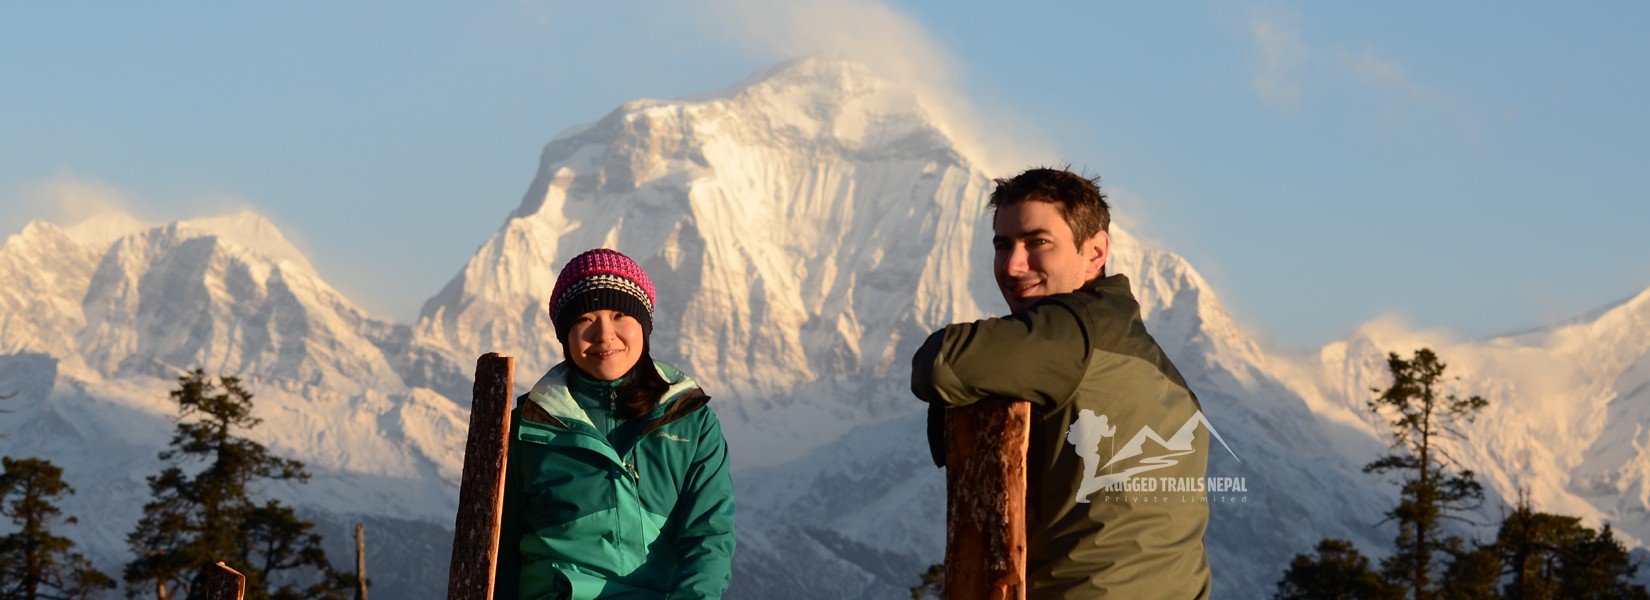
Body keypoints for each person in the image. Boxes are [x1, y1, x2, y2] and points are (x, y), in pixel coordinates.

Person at [910, 167, 1212, 598]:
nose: (1014, 265)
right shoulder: (1153, 364)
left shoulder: (1070, 333)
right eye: (1003, 245)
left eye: (1038, 243)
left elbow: (939, 365)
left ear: (1095, 251)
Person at [495, 248, 736, 599]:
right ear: (565, 336)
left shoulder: (690, 421)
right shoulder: (528, 429)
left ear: (644, 325)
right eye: (584, 319)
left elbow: (709, 536)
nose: (604, 334)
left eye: (620, 314)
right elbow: (498, 550)